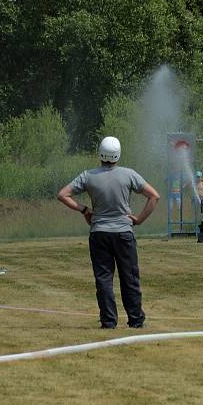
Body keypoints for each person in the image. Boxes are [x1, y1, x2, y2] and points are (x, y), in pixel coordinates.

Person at [57, 136, 160, 329]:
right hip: (124, 233)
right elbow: (154, 196)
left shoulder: (88, 176)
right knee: (129, 277)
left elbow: (62, 194)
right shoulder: (129, 174)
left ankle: (108, 321)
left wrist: (85, 210)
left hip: (99, 233)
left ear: (100, 154)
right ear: (118, 154)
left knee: (103, 278)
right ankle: (136, 320)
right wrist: (138, 219)